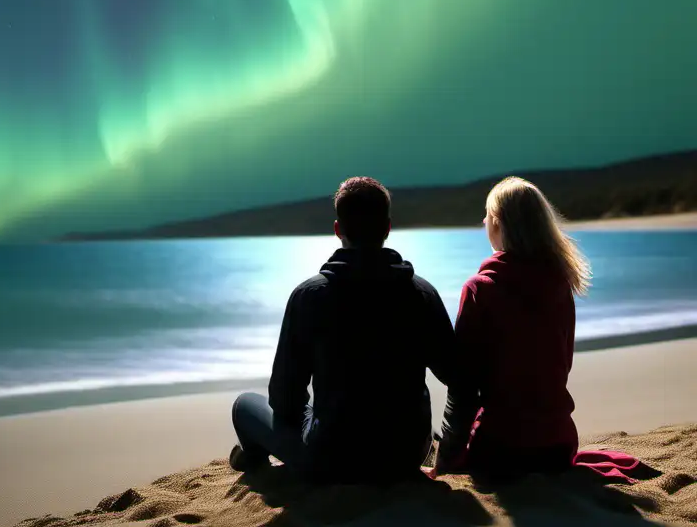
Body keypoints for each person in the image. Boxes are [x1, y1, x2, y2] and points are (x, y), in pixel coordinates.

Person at [230, 176, 456, 483]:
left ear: (338, 230)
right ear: (387, 228)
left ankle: (256, 463)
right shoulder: (420, 293)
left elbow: (283, 398)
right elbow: (460, 379)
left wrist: (318, 420)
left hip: (332, 461)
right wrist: (450, 448)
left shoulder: (309, 296)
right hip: (406, 455)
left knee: (245, 405)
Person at [431, 175, 641, 483]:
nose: (484, 223)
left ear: (499, 222)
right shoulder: (559, 282)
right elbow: (560, 363)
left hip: (503, 447)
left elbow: (464, 385)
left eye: (488, 216)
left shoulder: (480, 289)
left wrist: (448, 455)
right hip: (559, 444)